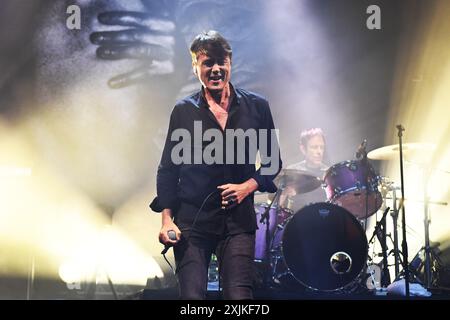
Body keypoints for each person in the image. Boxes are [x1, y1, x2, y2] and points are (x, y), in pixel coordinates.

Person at [156, 30, 282, 300]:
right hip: (192, 223)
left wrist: (247, 187)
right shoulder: (183, 111)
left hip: (238, 224)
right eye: (207, 63)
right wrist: (167, 220)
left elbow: (273, 162)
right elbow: (168, 170)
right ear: (195, 67)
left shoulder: (257, 107)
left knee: (239, 299)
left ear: (230, 63)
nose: (215, 69)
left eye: (220, 62)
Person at [280, 128, 328, 213]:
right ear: (303, 149)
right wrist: (285, 193)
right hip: (297, 220)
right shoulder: (292, 172)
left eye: (322, 147)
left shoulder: (328, 173)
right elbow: (277, 206)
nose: (319, 151)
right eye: (314, 147)